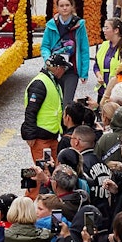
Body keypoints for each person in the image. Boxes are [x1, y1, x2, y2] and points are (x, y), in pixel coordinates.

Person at [21, 53, 72, 198]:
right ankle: (29, 204)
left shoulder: (53, 81)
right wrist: (30, 135)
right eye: (63, 68)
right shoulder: (40, 83)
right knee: (40, 173)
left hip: (51, 136)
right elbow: (30, 111)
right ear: (55, 68)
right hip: (40, 137)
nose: (64, 71)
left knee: (52, 171)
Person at [40, 0, 90, 107]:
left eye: (67, 5)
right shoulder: (51, 25)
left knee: (67, 102)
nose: (65, 8)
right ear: (57, 8)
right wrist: (48, 60)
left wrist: (84, 72)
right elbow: (45, 46)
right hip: (55, 68)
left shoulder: (79, 25)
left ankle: (66, 123)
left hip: (72, 69)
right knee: (54, 101)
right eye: (61, 5)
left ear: (72, 7)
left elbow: (84, 49)